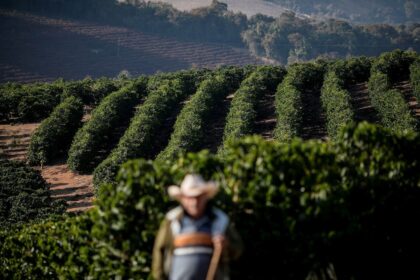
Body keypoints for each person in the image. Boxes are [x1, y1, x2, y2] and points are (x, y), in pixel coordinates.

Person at [152, 174, 243, 280]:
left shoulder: (220, 220)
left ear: (205, 197)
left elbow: (238, 249)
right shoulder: (172, 220)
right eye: (190, 198)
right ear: (183, 199)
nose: (194, 202)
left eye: (198, 197)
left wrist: (226, 245)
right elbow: (159, 252)